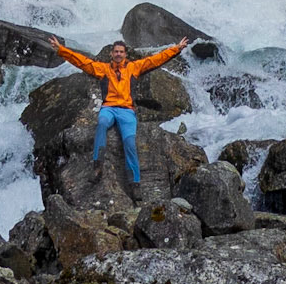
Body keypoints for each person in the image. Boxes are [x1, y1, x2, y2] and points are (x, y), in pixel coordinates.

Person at [50, 33, 190, 186]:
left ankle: (135, 183)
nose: (118, 54)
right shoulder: (103, 69)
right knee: (102, 123)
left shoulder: (133, 68)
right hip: (108, 108)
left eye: (121, 52)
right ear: (111, 54)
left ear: (125, 54)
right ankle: (97, 166)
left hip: (126, 111)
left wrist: (176, 48)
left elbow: (155, 59)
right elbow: (82, 62)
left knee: (129, 142)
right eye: (116, 51)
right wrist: (61, 50)